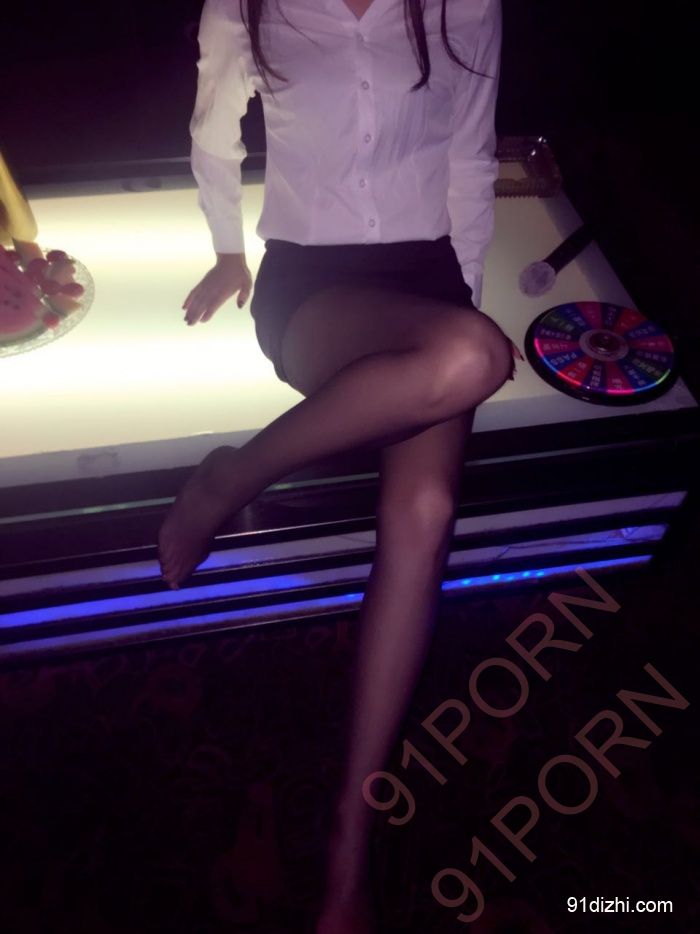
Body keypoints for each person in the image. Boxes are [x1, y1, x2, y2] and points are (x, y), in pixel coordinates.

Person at [158, 1, 520, 930]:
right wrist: (228, 250)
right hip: (311, 281)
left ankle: (349, 856)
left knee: (427, 513)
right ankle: (232, 478)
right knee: (475, 358)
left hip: (428, 283)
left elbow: (470, 156)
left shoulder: (465, 3)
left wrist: (458, 307)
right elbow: (212, 130)